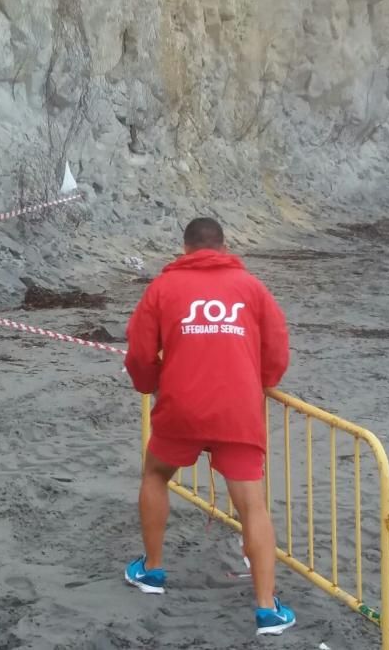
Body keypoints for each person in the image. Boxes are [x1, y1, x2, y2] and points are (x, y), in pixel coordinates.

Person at [123, 217, 296, 636]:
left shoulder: (162, 288)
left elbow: (141, 353)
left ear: (185, 249)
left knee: (156, 474)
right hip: (236, 411)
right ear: (223, 246)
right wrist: (263, 380)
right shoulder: (252, 288)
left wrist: (150, 385)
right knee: (252, 506)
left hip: (181, 407)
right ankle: (266, 609)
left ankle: (153, 570)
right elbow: (277, 348)